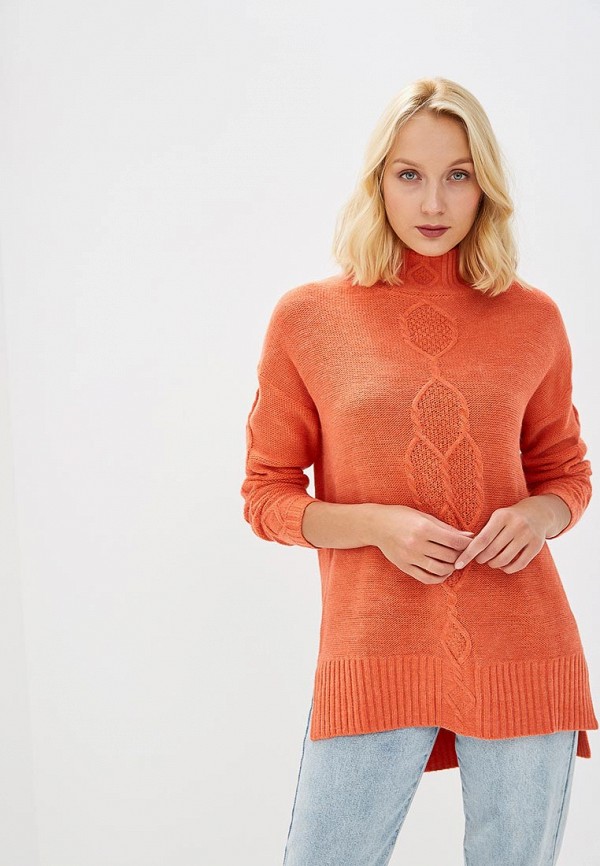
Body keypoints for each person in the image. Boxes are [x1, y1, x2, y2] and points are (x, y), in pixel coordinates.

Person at [240, 77, 598, 866]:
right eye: (410, 174)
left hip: (523, 647)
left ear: (485, 186)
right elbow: (266, 495)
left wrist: (538, 516)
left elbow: (566, 473)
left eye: (457, 174)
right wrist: (377, 526)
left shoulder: (532, 317)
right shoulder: (308, 318)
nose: (433, 201)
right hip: (372, 648)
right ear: (379, 181)